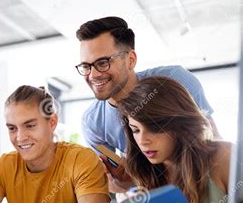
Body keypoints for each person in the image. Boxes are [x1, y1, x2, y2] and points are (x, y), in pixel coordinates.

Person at [75, 16, 219, 191]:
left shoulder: (174, 80)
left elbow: (213, 142)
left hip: (204, 183)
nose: (93, 75)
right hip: (160, 197)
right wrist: (125, 181)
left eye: (103, 63)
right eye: (86, 66)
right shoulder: (93, 122)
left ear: (130, 59)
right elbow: (116, 183)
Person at [116, 77, 230, 203]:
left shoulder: (224, 156)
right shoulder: (146, 174)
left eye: (154, 128)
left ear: (180, 124)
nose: (143, 140)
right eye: (136, 130)